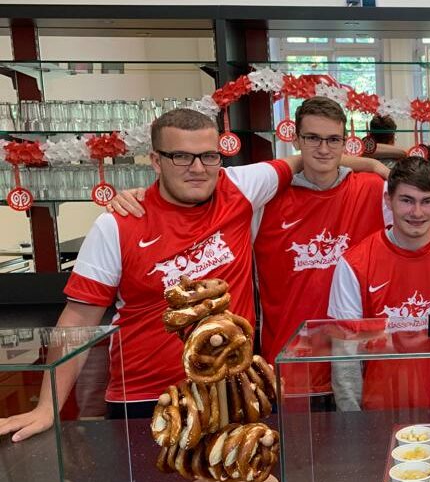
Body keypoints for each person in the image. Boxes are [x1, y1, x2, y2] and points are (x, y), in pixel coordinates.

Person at [107, 97, 430, 405]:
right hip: (285, 368)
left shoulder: (370, 190)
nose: (323, 148)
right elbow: (196, 197)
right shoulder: (264, 196)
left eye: (333, 140)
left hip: (354, 370)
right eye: (313, 138)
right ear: (296, 141)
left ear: (345, 141)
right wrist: (146, 194)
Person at [0, 109, 303, 442]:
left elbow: (307, 158)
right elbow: (76, 320)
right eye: (181, 157)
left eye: (208, 156)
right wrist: (48, 406)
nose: (198, 168)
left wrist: (372, 165)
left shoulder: (240, 188)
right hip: (147, 401)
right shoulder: (117, 224)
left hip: (228, 391)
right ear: (156, 161)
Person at [327, 157, 430, 410]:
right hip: (377, 410)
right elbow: (346, 356)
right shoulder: (354, 264)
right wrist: (353, 422)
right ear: (388, 200)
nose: (417, 212)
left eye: (427, 201)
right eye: (406, 200)